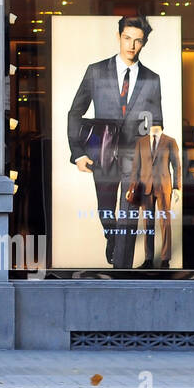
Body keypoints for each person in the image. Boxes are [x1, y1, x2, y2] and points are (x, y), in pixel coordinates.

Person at [66, 15, 163, 268]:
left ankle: (123, 268)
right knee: (106, 209)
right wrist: (78, 152)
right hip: (103, 151)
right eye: (127, 38)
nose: (131, 46)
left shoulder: (152, 79)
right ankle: (112, 236)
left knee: (129, 212)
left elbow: (156, 122)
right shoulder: (96, 72)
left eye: (138, 41)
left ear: (144, 43)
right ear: (119, 37)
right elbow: (74, 112)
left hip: (135, 156)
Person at [126, 126, 182, 268]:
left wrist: (177, 187)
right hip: (145, 187)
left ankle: (165, 259)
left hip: (164, 187)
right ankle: (148, 259)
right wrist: (131, 187)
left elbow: (177, 166)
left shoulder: (170, 141)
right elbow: (135, 167)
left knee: (165, 223)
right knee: (147, 224)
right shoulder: (141, 142)